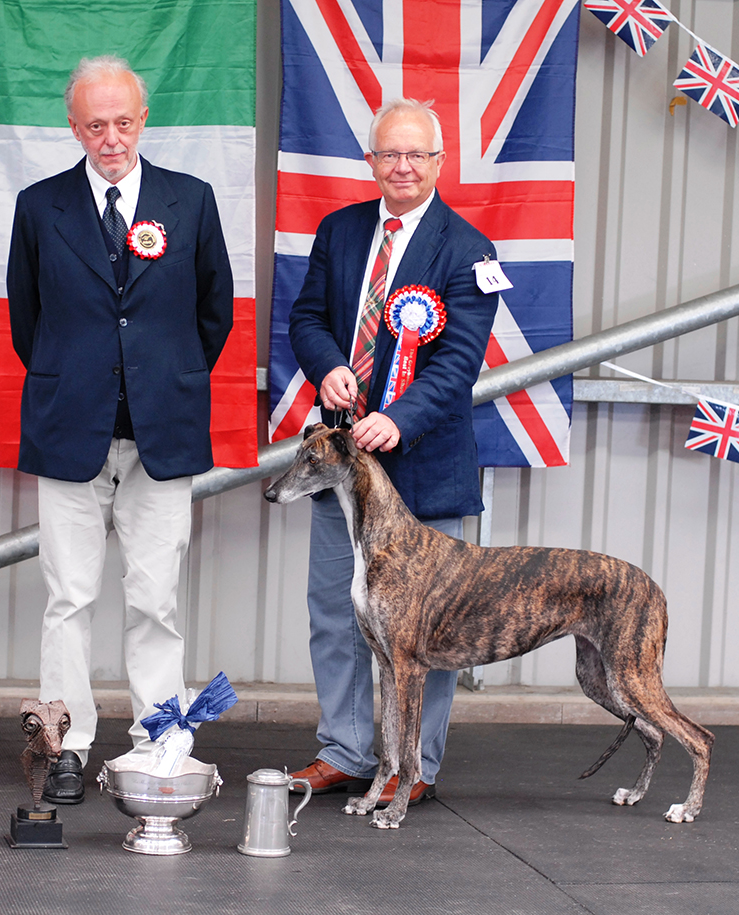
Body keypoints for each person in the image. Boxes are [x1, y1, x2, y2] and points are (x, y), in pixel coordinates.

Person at [6, 55, 233, 804]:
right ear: (73, 127)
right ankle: (64, 741)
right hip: (69, 427)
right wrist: (80, 376)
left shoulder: (190, 201)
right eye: (95, 124)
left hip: (161, 431)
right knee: (68, 597)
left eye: (123, 121)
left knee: (155, 598)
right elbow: (25, 321)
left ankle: (158, 740)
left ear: (144, 119)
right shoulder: (41, 207)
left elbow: (214, 312)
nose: (111, 137)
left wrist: (156, 375)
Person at [288, 98, 499, 806]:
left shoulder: (469, 250)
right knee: (335, 611)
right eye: (389, 153)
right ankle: (345, 752)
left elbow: (458, 363)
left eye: (416, 154)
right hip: (343, 475)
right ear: (371, 161)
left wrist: (398, 420)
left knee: (432, 626)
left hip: (424, 471)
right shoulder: (339, 230)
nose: (401, 165)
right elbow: (307, 316)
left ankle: (417, 766)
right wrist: (326, 367)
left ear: (440, 163)